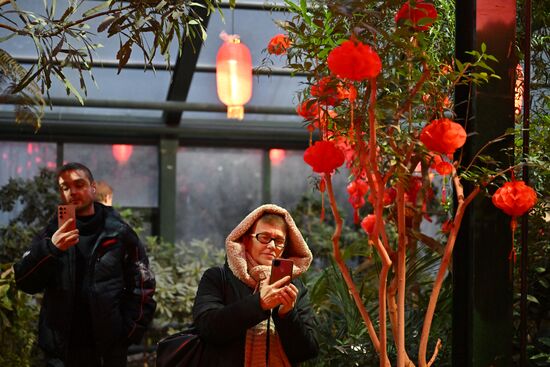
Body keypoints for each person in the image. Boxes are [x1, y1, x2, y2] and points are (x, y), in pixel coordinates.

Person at [14, 162, 156, 367]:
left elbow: (143, 285)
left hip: (107, 352)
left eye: (79, 184)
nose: (72, 191)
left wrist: (128, 334)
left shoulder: (118, 233)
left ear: (93, 188)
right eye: (65, 187)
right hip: (61, 353)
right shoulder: (51, 233)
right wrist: (51, 249)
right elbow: (25, 281)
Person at [192, 204, 319, 366]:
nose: (272, 246)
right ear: (246, 239)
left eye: (279, 241)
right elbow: (207, 330)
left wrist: (287, 315)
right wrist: (259, 304)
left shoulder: (295, 286)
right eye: (264, 237)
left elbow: (308, 351)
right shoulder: (218, 277)